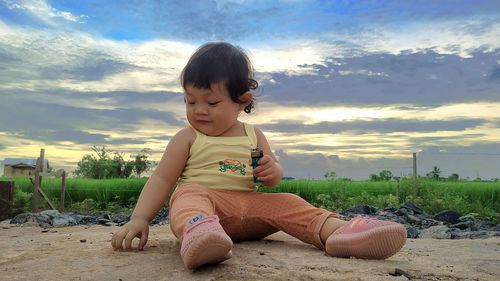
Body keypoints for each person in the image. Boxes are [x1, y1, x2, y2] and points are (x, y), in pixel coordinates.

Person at [111, 42, 407, 269]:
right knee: (186, 195)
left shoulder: (253, 136)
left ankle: (339, 233)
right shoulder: (188, 137)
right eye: (190, 101)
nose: (199, 110)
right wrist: (139, 219)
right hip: (208, 206)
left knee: (289, 202)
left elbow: (272, 178)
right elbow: (163, 179)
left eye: (211, 102)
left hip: (252, 209)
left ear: (242, 101)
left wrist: (272, 170)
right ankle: (200, 235)